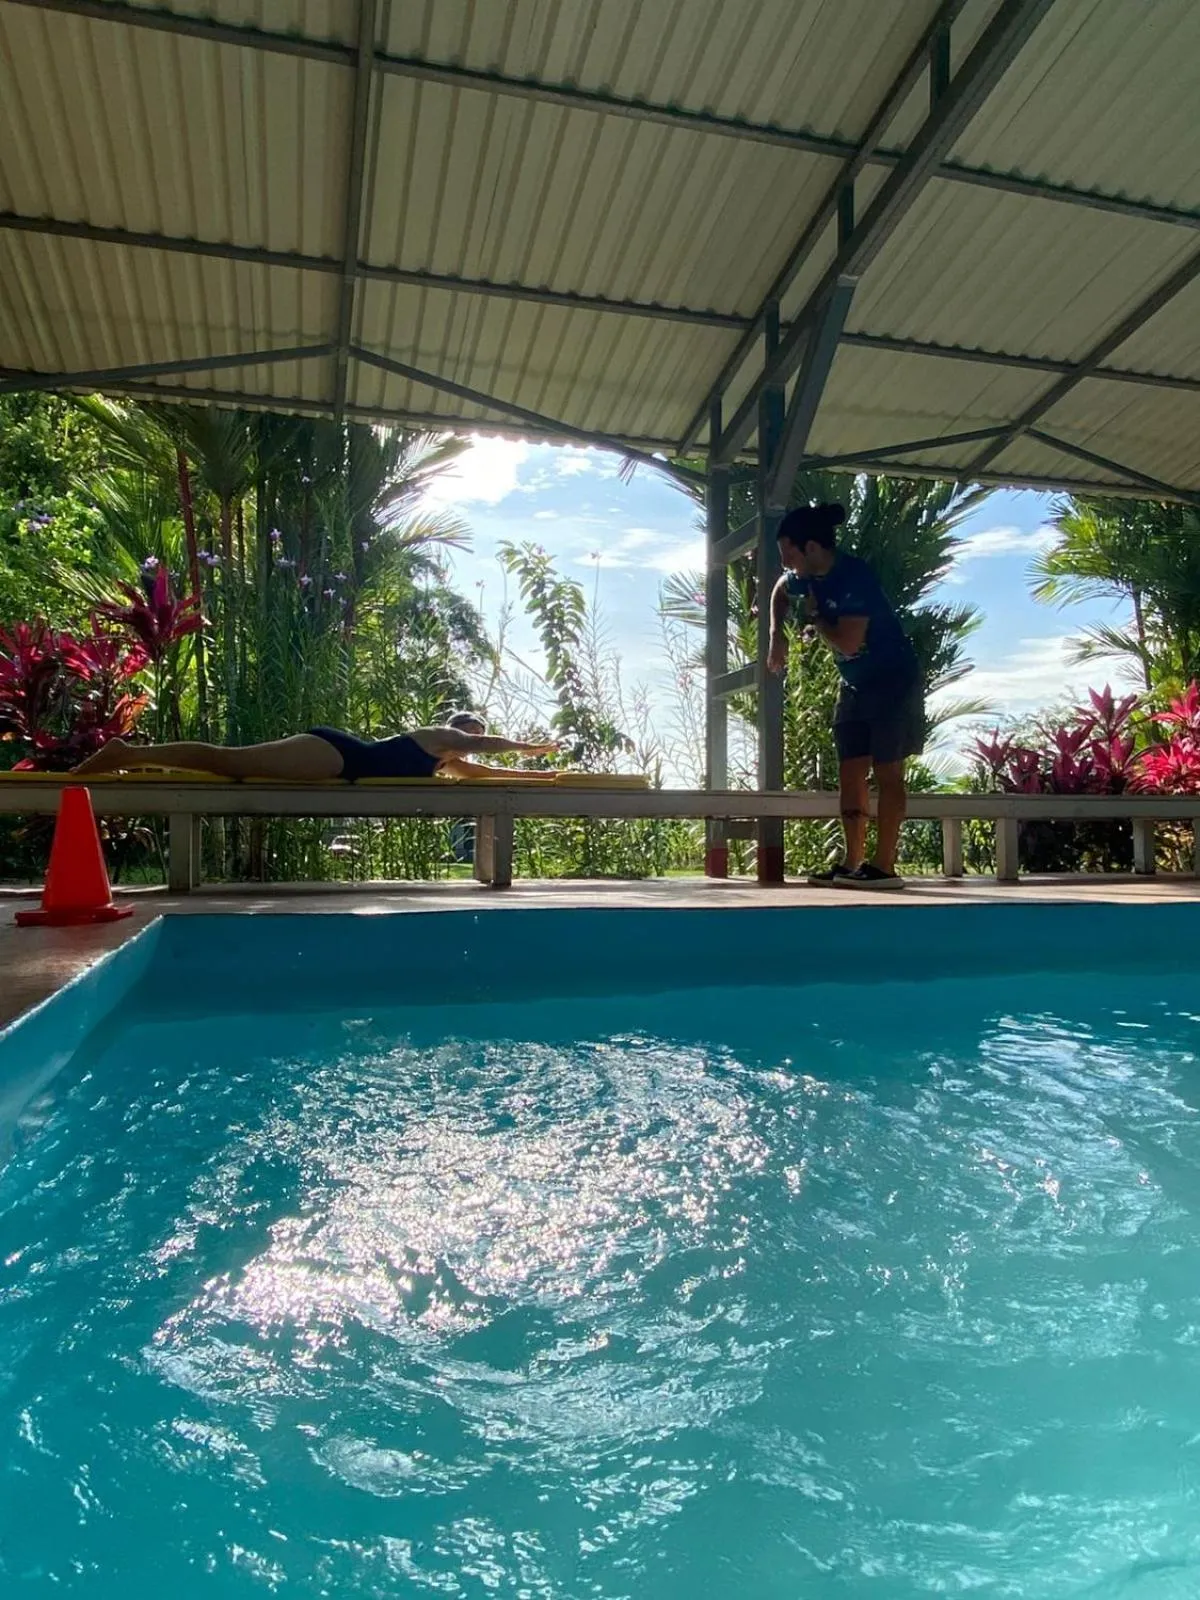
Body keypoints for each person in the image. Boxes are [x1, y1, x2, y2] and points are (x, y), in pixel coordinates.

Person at [767, 501, 923, 890]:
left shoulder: (854, 577)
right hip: (854, 684)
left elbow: (849, 642)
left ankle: (883, 866)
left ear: (812, 549)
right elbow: (779, 592)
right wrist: (775, 637)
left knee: (887, 771)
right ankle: (853, 863)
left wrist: (817, 619)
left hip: (891, 680)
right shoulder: (806, 578)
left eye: (789, 554)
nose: (786, 563)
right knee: (850, 771)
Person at [71, 712, 559, 782]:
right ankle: (128, 753)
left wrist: (545, 777)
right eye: (468, 737)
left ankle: (134, 756)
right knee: (229, 761)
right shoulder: (440, 736)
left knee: (229, 766)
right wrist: (527, 745)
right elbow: (488, 747)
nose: (469, 745)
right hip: (336, 754)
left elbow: (489, 776)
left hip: (337, 765)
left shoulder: (449, 761)